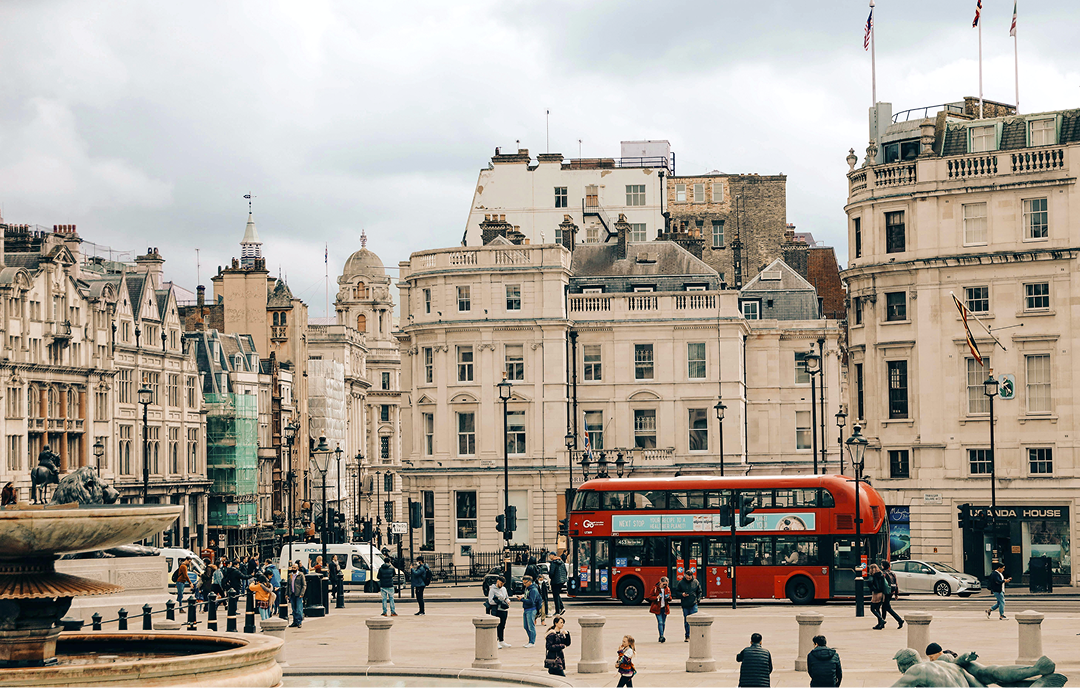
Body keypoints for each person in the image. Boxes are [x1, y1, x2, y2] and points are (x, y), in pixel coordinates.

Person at [890, 648, 1058, 688]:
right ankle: (1034, 679)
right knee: (990, 673)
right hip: (974, 682)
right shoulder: (944, 664)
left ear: (903, 664)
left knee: (989, 673)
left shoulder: (916, 671)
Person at [673, 569, 702, 642]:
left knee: (695, 620)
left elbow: (699, 592)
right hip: (685, 604)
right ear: (685, 575)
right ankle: (687, 635)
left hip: (693, 603)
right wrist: (682, 594)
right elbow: (676, 592)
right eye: (687, 577)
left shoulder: (695, 582)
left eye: (690, 577)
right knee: (687, 621)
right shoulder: (681, 583)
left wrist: (697, 600)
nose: (688, 578)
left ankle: (695, 635)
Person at [518, 575, 542, 647]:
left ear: (530, 582)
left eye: (525, 583)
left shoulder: (533, 590)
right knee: (526, 626)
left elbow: (531, 601)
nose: (524, 584)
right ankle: (530, 641)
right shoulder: (528, 589)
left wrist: (522, 599)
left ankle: (532, 642)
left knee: (531, 626)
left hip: (531, 609)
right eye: (523, 583)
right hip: (526, 609)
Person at [487, 576, 511, 648]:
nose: (502, 585)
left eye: (503, 584)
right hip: (497, 610)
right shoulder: (492, 589)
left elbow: (506, 597)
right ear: (497, 581)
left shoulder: (503, 589)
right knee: (497, 626)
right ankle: (496, 641)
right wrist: (499, 602)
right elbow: (490, 601)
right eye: (501, 583)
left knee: (502, 626)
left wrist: (507, 601)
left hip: (504, 609)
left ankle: (501, 640)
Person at [647, 576, 671, 643]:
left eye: (666, 584)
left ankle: (662, 635)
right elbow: (650, 597)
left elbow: (670, 598)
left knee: (663, 623)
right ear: (660, 582)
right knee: (660, 622)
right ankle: (661, 636)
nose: (665, 586)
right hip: (657, 608)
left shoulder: (667, 589)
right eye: (664, 584)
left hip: (665, 608)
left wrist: (668, 598)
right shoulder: (655, 588)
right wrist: (656, 597)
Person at [879, 561, 903, 629]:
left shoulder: (883, 573)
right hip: (891, 592)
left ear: (883, 566)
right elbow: (896, 584)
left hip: (886, 592)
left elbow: (883, 584)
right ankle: (882, 622)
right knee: (884, 607)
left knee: (887, 608)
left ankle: (899, 620)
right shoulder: (892, 573)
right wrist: (896, 594)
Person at [288, 563, 306, 628]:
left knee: (299, 609)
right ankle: (295, 621)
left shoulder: (301, 575)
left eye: (294, 568)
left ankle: (299, 622)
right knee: (294, 609)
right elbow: (288, 585)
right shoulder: (290, 575)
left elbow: (304, 585)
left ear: (297, 568)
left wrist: (302, 593)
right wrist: (287, 594)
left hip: (298, 594)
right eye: (292, 567)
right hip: (292, 594)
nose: (293, 569)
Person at [868, 563, 886, 629]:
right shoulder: (881, 575)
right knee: (878, 608)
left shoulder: (872, 576)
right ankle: (880, 624)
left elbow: (870, 583)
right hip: (882, 593)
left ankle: (881, 620)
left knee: (872, 608)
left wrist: (872, 589)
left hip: (876, 593)